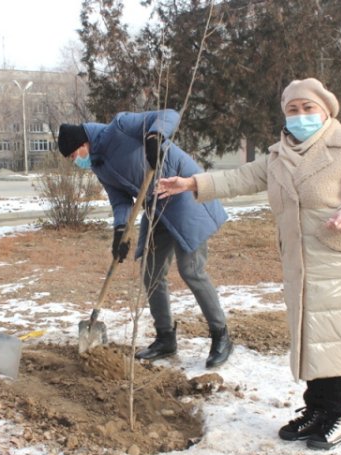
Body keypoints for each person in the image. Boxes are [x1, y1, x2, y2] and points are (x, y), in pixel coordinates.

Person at [156, 78, 341, 450]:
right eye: (293, 109)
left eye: (308, 108)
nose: (300, 115)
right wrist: (192, 183)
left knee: (338, 338)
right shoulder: (279, 155)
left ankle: (338, 416)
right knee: (312, 337)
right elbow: (241, 177)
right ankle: (317, 411)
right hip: (301, 264)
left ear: (325, 110)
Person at [57, 109, 233, 369]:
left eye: (74, 154)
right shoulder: (99, 165)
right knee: (150, 272)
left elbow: (169, 114)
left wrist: (154, 137)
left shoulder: (120, 127)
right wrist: (120, 231)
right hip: (155, 206)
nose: (75, 160)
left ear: (83, 144)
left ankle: (221, 336)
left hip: (183, 193)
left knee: (191, 270)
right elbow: (119, 201)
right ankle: (165, 338)